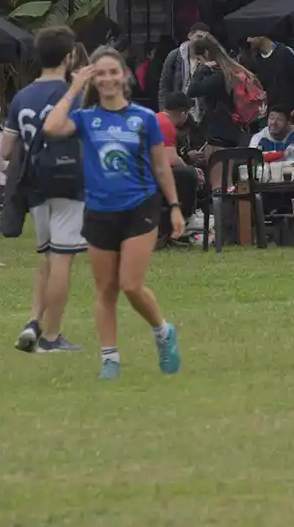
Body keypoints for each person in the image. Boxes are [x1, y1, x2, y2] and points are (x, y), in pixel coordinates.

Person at [42, 46, 184, 381]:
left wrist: (176, 207)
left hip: (139, 207)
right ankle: (110, 358)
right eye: (100, 73)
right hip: (99, 211)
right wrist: (75, 87)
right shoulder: (85, 117)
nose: (107, 79)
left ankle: (163, 331)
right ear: (94, 78)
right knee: (105, 288)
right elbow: (51, 126)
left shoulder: (144, 119)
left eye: (113, 72)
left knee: (131, 285)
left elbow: (161, 167)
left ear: (124, 76)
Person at [4, 26, 87, 354]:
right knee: (62, 259)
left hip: (34, 185)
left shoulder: (21, 97)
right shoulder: (73, 93)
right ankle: (52, 336)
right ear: (69, 57)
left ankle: (33, 322)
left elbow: (6, 150)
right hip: (67, 181)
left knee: (48, 259)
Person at [185, 34, 250, 151]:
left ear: (206, 54)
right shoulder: (232, 69)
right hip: (235, 127)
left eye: (199, 59)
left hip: (221, 132)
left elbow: (192, 90)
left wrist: (202, 69)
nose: (199, 62)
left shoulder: (218, 76)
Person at [155, 92, 202, 236]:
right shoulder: (166, 124)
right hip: (148, 174)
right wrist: (192, 170)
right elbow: (171, 159)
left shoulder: (155, 119)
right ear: (183, 113)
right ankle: (188, 217)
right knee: (188, 175)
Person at [245, 34, 294, 125]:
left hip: (290, 112)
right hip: (268, 114)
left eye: (251, 36)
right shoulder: (256, 59)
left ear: (262, 35)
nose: (248, 40)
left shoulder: (286, 52)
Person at [158, 21, 211, 110]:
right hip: (179, 108)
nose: (202, 41)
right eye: (199, 37)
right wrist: (163, 110)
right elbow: (164, 85)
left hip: (200, 109)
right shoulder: (175, 56)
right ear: (189, 35)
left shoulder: (209, 57)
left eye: (205, 39)